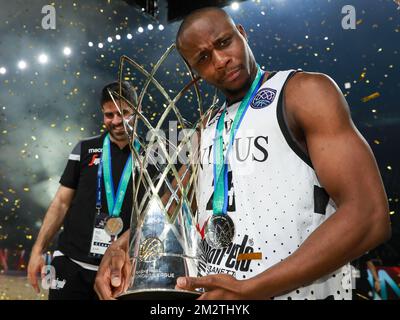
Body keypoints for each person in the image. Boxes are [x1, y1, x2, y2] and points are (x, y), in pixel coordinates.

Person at [94, 7, 391, 300]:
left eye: (224, 42)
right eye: (204, 58)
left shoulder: (303, 92)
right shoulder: (205, 127)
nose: (221, 60)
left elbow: (369, 216)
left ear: (242, 34)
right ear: (196, 73)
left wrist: (252, 288)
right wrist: (121, 246)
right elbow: (172, 204)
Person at [27, 81, 139, 299]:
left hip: (117, 270)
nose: (116, 121)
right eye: (109, 114)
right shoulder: (84, 148)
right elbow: (61, 203)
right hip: (70, 263)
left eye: (123, 113)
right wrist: (37, 250)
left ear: (137, 110)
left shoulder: (151, 156)